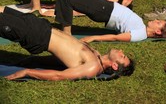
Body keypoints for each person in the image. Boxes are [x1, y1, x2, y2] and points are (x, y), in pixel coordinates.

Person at [0, 6, 134, 80]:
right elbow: (62, 57)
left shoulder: (92, 68)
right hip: (40, 25)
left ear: (115, 66)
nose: (121, 52)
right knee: (3, 10)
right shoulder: (96, 55)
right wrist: (34, 60)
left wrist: (27, 72)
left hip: (35, 35)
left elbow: (59, 76)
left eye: (122, 56)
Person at [55, 0, 166, 42]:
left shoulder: (140, 34)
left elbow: (116, 37)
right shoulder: (141, 26)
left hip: (104, 11)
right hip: (106, 6)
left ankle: (67, 35)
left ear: (157, 31)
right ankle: (63, 27)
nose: (156, 19)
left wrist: (93, 38)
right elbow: (124, 18)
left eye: (158, 23)